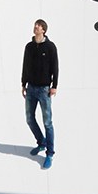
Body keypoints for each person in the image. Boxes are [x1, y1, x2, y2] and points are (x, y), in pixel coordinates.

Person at [21, 18, 58, 168]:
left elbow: (55, 67)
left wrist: (54, 86)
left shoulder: (50, 47)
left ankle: (50, 153)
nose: (35, 27)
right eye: (35, 25)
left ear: (43, 30)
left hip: (44, 90)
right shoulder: (29, 47)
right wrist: (23, 83)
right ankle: (41, 142)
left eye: (38, 26)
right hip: (30, 88)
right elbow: (25, 65)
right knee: (29, 119)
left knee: (47, 122)